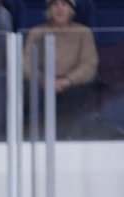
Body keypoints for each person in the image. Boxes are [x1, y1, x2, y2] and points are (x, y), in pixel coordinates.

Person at [22, 0, 98, 136]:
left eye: (64, 4)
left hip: (72, 83)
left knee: (83, 94)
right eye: (55, 5)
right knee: (27, 91)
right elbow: (26, 63)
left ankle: (72, 137)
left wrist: (68, 81)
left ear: (71, 10)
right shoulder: (37, 32)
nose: (59, 9)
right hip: (42, 83)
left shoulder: (83, 32)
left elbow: (89, 64)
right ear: (49, 10)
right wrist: (44, 80)